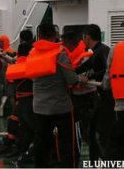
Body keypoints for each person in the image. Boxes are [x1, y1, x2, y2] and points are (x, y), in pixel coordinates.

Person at [31, 23, 85, 168]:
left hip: (39, 107)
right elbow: (72, 80)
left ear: (40, 36)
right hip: (60, 107)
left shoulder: (33, 53)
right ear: (55, 36)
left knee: (41, 142)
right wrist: (81, 79)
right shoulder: (59, 53)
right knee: (67, 143)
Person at [75, 24, 113, 161]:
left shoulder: (103, 50)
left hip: (109, 98)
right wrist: (70, 72)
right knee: (92, 132)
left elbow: (108, 71)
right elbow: (86, 66)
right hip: (101, 98)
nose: (82, 41)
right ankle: (93, 161)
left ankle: (107, 161)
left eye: (82, 38)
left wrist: (89, 76)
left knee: (100, 133)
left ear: (87, 37)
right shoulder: (97, 51)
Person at [61, 31, 94, 163]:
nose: (63, 46)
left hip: (87, 97)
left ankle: (101, 158)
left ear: (70, 43)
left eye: (64, 44)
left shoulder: (86, 56)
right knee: (80, 130)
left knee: (87, 132)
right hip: (76, 96)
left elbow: (84, 77)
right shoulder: (69, 56)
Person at [6, 42, 34, 166]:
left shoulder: (17, 65)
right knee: (30, 128)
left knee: (25, 128)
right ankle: (25, 152)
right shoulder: (32, 64)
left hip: (23, 101)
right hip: (28, 101)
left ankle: (23, 153)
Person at [102, 27, 124, 160]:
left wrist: (105, 86)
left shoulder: (116, 48)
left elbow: (108, 75)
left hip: (121, 104)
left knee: (116, 140)